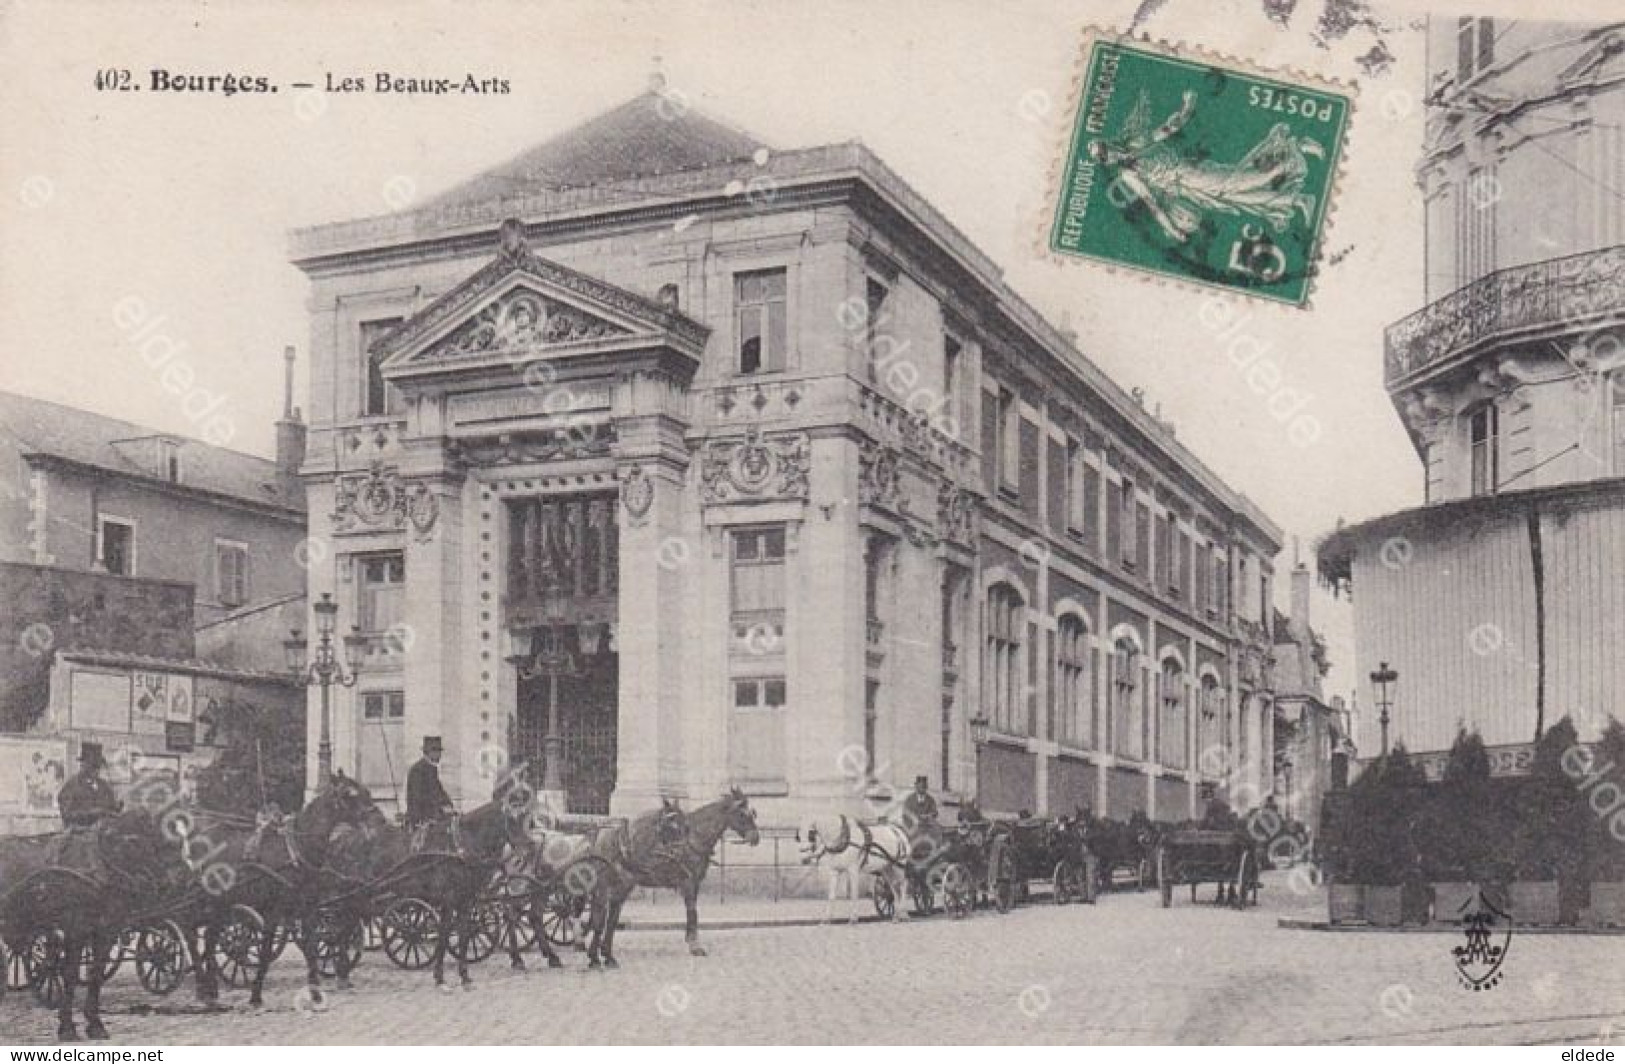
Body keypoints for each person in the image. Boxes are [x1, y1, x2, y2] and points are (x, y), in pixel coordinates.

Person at [59, 741, 121, 829]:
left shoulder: (105, 786)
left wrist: (117, 807)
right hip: (78, 837)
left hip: (104, 836)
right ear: (83, 765)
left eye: (98, 767)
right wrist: (91, 813)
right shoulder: (71, 786)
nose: (96, 771)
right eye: (93, 767)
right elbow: (66, 815)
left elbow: (112, 810)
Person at [405, 736, 455, 829]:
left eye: (440, 752)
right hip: (420, 819)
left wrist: (448, 805)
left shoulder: (431, 769)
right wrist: (439, 809)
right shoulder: (418, 770)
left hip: (434, 816)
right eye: (437, 752)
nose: (439, 755)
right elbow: (418, 797)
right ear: (429, 752)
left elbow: (440, 792)